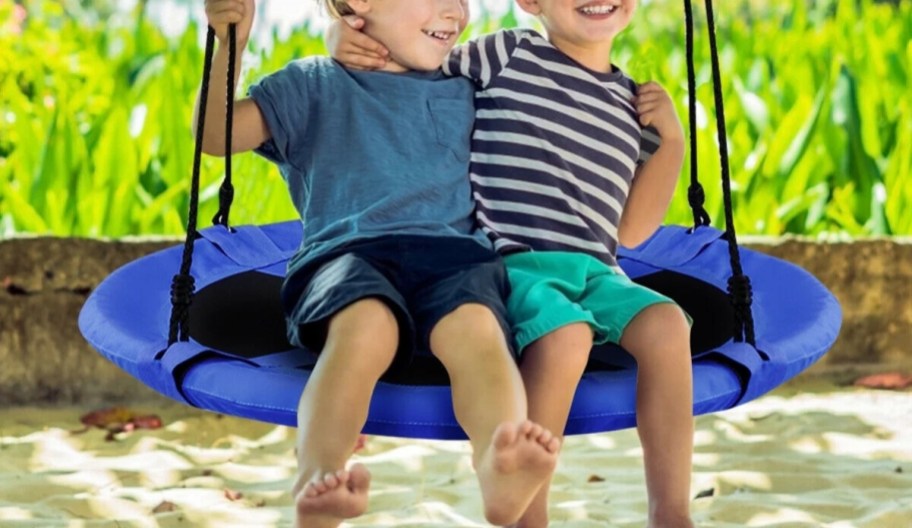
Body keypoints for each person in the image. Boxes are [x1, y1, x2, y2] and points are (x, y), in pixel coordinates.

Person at [329, 1, 695, 527]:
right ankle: (529, 515)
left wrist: (673, 142)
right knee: (565, 335)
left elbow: (632, 230)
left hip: (596, 269)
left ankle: (671, 511)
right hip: (512, 261)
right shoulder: (508, 52)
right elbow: (413, 59)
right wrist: (340, 40)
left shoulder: (631, 103)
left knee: (665, 324)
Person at [197, 1, 562, 527]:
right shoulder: (313, 84)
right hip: (346, 257)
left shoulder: (468, 85)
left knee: (479, 329)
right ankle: (318, 480)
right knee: (365, 327)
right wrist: (228, 45)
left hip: (454, 259)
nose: (454, 11)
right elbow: (216, 136)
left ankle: (497, 464)